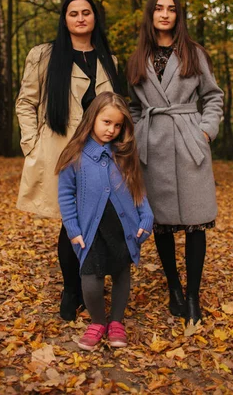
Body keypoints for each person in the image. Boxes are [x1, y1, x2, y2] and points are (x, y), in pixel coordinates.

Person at [15, 0, 121, 322]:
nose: (79, 18)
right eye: (72, 13)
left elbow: (118, 108)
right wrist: (32, 144)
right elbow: (26, 102)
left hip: (101, 154)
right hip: (60, 151)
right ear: (65, 19)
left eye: (85, 12)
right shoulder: (44, 56)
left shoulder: (109, 59)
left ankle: (92, 282)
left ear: (94, 18)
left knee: (99, 220)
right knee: (69, 222)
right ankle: (72, 289)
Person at [127, 0, 223, 325]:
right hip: (152, 147)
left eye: (171, 9)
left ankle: (193, 296)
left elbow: (213, 97)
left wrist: (205, 131)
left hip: (189, 141)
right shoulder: (138, 57)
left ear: (178, 16)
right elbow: (135, 106)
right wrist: (139, 135)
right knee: (162, 225)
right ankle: (174, 289)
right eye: (159, 9)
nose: (165, 14)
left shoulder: (194, 53)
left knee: (196, 224)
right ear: (150, 15)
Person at [56, 92, 154, 351]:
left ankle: (116, 322)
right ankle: (98, 322)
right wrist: (72, 228)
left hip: (123, 227)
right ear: (92, 119)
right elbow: (65, 195)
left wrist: (147, 215)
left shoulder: (123, 153)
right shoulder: (76, 155)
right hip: (91, 229)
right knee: (90, 278)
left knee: (122, 273)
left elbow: (138, 189)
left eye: (118, 125)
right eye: (106, 122)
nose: (112, 130)